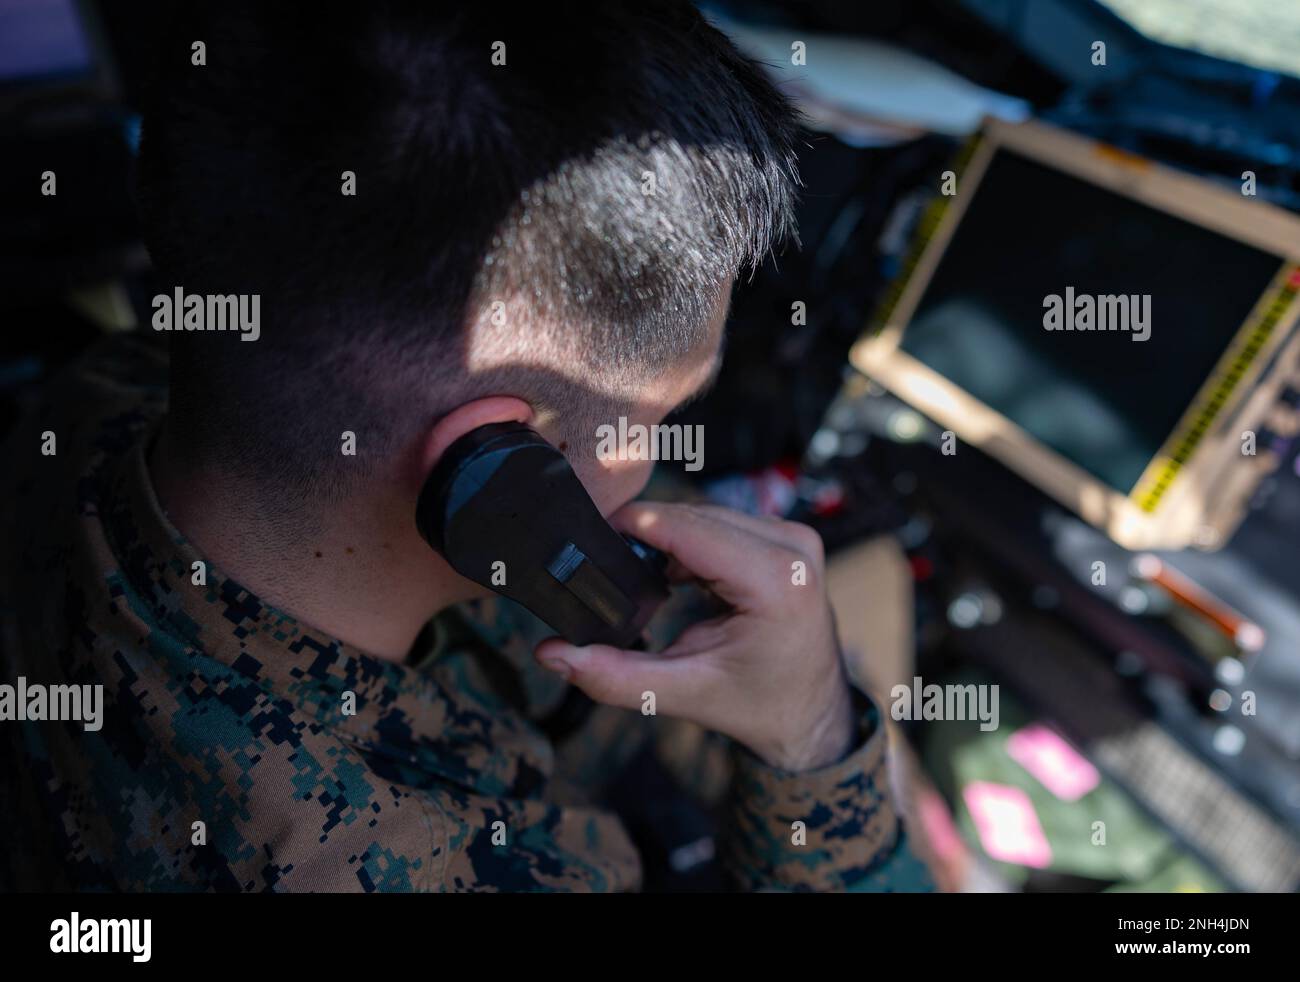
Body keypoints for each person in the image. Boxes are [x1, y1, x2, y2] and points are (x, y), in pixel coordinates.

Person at [0, 1, 931, 892]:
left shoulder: (116, 387)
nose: (659, 456)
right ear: (495, 463)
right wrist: (814, 742)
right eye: (661, 414)